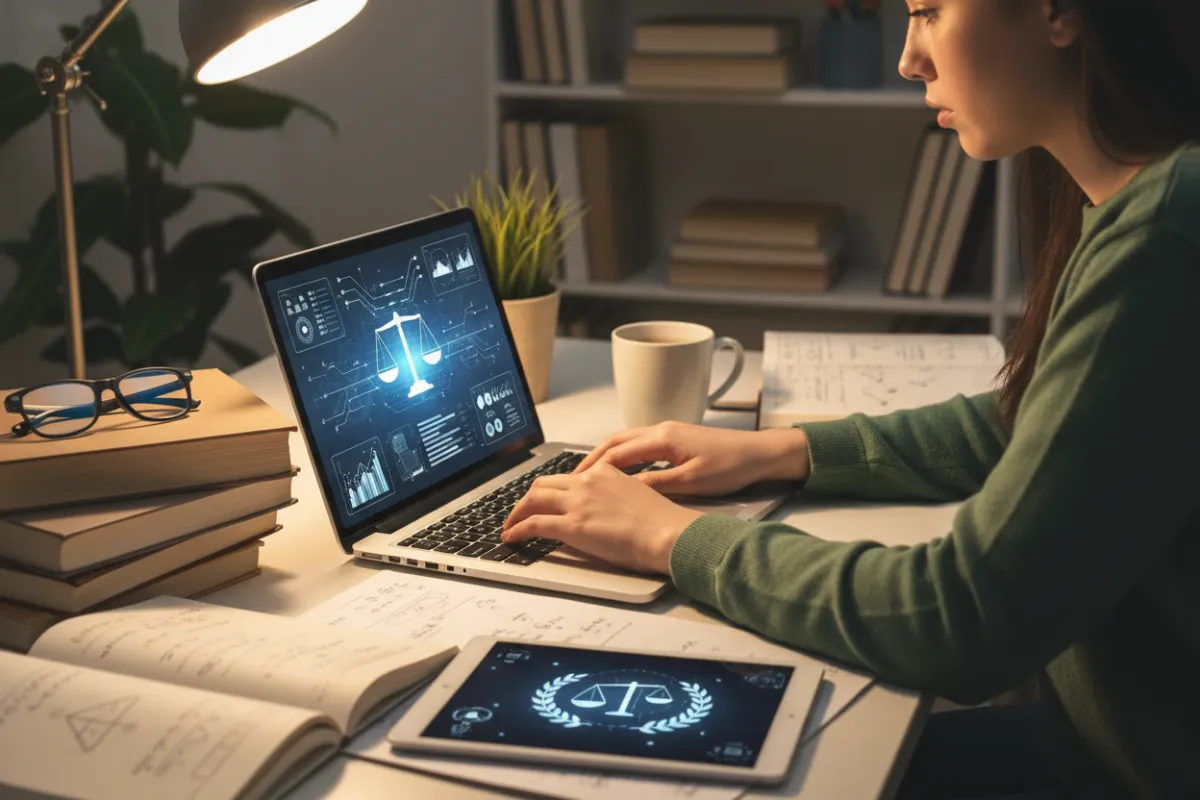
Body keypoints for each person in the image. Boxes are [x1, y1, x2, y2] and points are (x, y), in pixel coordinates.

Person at [499, 1, 1200, 797]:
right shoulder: (1147, 196)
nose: (909, 58)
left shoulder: (1163, 242)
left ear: (1057, 13)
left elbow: (962, 619)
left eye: (930, 12)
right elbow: (1037, 421)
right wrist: (783, 452)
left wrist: (672, 539)